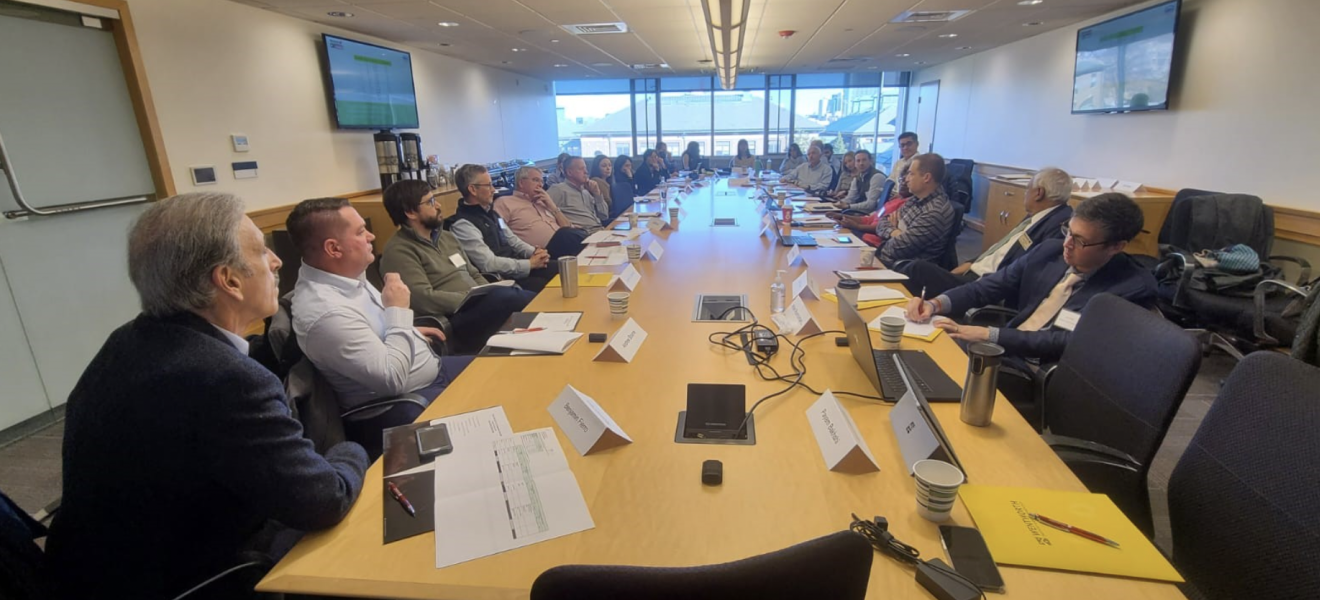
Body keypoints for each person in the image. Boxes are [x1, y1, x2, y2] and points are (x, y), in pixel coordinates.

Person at [45, 193, 369, 600]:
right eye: (261, 251)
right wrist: (353, 447)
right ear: (228, 280)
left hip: (93, 570)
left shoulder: (130, 340)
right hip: (188, 579)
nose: (276, 261)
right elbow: (324, 499)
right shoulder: (222, 378)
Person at [287, 198, 479, 451]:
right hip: (404, 402)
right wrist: (399, 311)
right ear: (334, 249)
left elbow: (372, 328)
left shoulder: (344, 273)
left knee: (506, 371)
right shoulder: (325, 313)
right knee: (500, 413)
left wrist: (410, 330)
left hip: (430, 371)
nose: (371, 235)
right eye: (360, 232)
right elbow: (392, 379)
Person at [906, 192, 1156, 363]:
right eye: (1068, 231)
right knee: (921, 346)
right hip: (1008, 349)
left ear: (1116, 247)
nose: (1067, 244)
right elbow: (988, 287)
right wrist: (934, 304)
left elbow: (1063, 342)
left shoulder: (1129, 289)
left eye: (1080, 240)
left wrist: (987, 334)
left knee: (937, 357)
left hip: (1039, 370)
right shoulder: (1050, 250)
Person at [368, 190, 535, 355]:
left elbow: (474, 273)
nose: (438, 205)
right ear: (410, 213)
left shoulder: (447, 237)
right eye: (430, 202)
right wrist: (472, 297)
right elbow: (423, 298)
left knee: (510, 294)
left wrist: (489, 290)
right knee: (510, 297)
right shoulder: (399, 251)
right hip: (452, 318)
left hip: (479, 303)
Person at [897, 167, 1075, 298]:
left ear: (1038, 193)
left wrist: (979, 274)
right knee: (908, 268)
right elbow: (1002, 249)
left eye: (1027, 189)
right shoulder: (1036, 217)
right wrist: (971, 263)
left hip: (986, 284)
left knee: (916, 269)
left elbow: (1022, 270)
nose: (1024, 195)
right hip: (974, 271)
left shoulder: (1056, 226)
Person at [446, 166, 556, 292]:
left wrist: (535, 253)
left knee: (560, 269)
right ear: (473, 189)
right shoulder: (463, 225)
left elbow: (512, 240)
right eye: (488, 185)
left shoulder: (491, 213)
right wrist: (529, 264)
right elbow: (489, 264)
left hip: (519, 266)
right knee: (548, 287)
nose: (493, 190)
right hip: (503, 278)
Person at [875, 153, 956, 265]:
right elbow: (882, 222)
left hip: (901, 269)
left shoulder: (935, 212)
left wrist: (894, 231)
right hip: (887, 259)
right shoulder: (915, 199)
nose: (906, 179)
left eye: (911, 174)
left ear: (926, 177)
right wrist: (896, 232)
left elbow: (895, 249)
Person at [496, 165, 589, 259]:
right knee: (567, 235)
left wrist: (552, 206)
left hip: (565, 244)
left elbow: (567, 226)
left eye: (542, 181)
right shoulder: (504, 202)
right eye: (536, 180)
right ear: (521, 183)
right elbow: (500, 232)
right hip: (541, 253)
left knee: (577, 233)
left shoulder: (543, 202)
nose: (540, 185)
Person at [548, 156, 610, 233]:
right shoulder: (559, 189)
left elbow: (604, 216)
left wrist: (597, 194)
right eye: (581, 169)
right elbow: (545, 215)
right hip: (581, 235)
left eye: (586, 168)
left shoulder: (586, 192)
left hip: (599, 230)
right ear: (569, 172)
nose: (586, 172)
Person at [610, 154, 635, 219]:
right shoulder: (615, 178)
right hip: (621, 211)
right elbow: (631, 190)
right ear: (620, 166)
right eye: (626, 166)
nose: (628, 168)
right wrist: (630, 177)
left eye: (630, 166)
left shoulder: (630, 174)